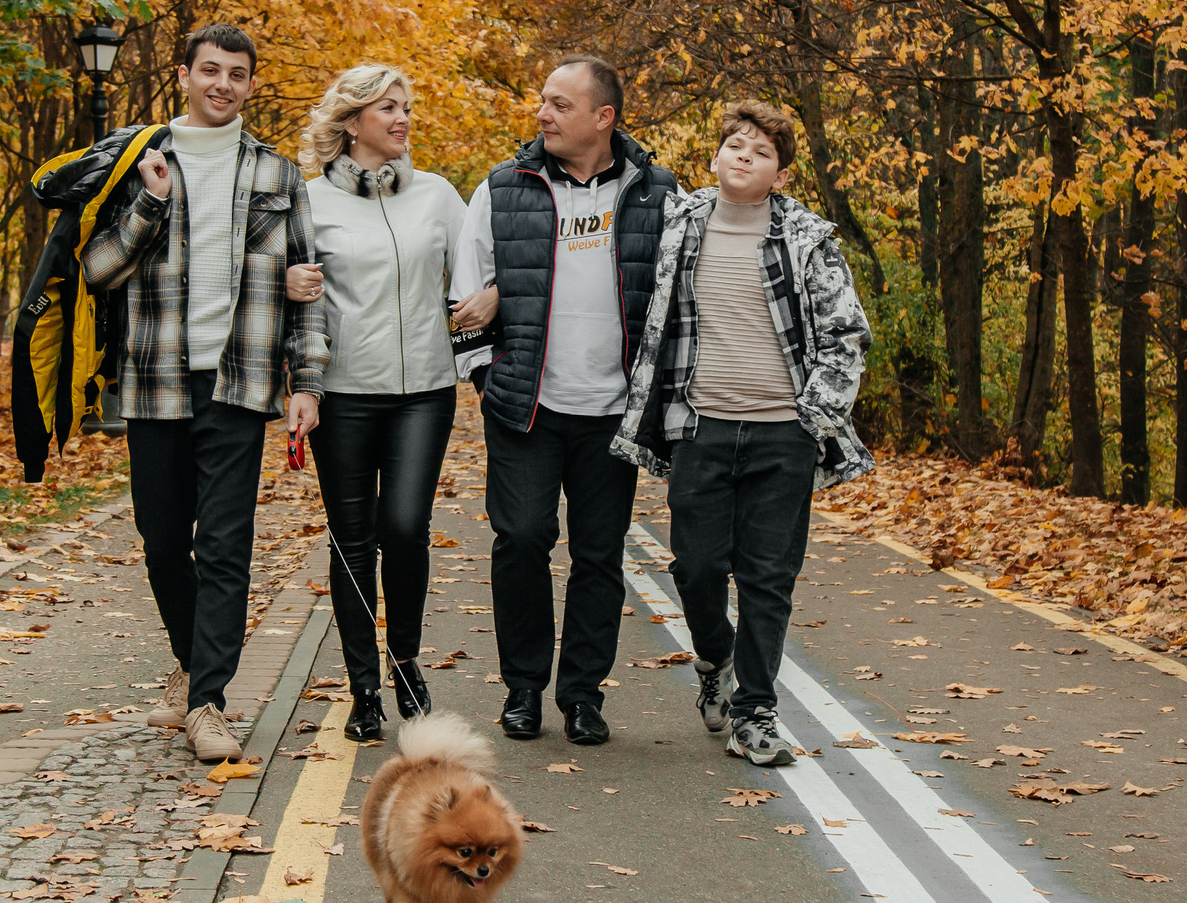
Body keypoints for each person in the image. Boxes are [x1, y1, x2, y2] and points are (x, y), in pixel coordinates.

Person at [81, 24, 326, 762]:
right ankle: (193, 669)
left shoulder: (278, 174)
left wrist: (305, 382)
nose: (223, 83)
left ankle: (209, 701)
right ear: (184, 75)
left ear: (252, 84)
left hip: (240, 380)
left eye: (238, 73)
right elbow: (97, 269)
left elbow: (309, 284)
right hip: (155, 378)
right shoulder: (140, 162)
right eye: (210, 70)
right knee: (163, 542)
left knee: (225, 544)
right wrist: (149, 204)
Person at [612, 100, 873, 767]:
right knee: (697, 567)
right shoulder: (679, 226)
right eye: (735, 144)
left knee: (768, 576)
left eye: (762, 151)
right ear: (714, 158)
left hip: (782, 435)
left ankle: (755, 711)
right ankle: (714, 656)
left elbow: (847, 332)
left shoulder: (808, 239)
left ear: (780, 174)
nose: (745, 155)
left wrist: (811, 415)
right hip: (701, 426)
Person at [452, 56, 677, 745]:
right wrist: (487, 375)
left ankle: (581, 694)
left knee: (599, 554)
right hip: (527, 406)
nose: (542, 114)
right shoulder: (501, 188)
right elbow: (463, 299)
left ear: (602, 117)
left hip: (613, 411)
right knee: (521, 539)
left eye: (559, 103)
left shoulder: (658, 192)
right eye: (542, 102)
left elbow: (684, 294)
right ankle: (523, 689)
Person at [282, 65, 489, 742]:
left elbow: (479, 270)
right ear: (350, 122)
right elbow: (278, 291)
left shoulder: (436, 196)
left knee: (403, 526)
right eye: (388, 108)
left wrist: (488, 302)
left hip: (423, 392)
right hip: (341, 396)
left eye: (407, 107)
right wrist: (287, 281)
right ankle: (363, 688)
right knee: (352, 542)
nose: (403, 118)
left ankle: (404, 661)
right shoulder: (308, 202)